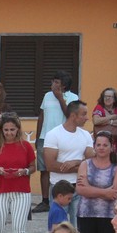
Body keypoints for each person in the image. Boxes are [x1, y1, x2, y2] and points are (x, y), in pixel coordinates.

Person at [43, 100, 94, 226]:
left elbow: (91, 162)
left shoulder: (86, 135)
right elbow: (50, 165)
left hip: (80, 186)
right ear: (73, 115)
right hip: (59, 188)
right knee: (59, 228)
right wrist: (80, 167)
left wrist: (75, 162)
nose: (87, 118)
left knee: (78, 228)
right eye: (83, 114)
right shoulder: (53, 134)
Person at [34, 71, 78, 213]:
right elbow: (41, 116)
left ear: (63, 85)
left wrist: (60, 98)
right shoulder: (47, 96)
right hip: (44, 137)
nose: (52, 84)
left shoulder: (73, 97)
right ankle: (45, 200)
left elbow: (70, 115)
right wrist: (38, 136)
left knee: (61, 168)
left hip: (63, 138)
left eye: (56, 82)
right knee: (44, 169)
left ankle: (63, 198)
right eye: (53, 81)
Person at [76, 131, 117, 233]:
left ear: (112, 147)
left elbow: (114, 194)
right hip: (86, 215)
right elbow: (80, 189)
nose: (101, 148)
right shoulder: (85, 164)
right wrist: (104, 192)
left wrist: (89, 188)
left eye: (105, 145)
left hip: (108, 216)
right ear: (94, 147)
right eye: (98, 145)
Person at [91, 88, 117, 152]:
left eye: (110, 96)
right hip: (101, 144)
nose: (107, 98)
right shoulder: (99, 107)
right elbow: (96, 121)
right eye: (105, 96)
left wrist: (103, 121)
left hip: (116, 144)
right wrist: (112, 118)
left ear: (114, 99)